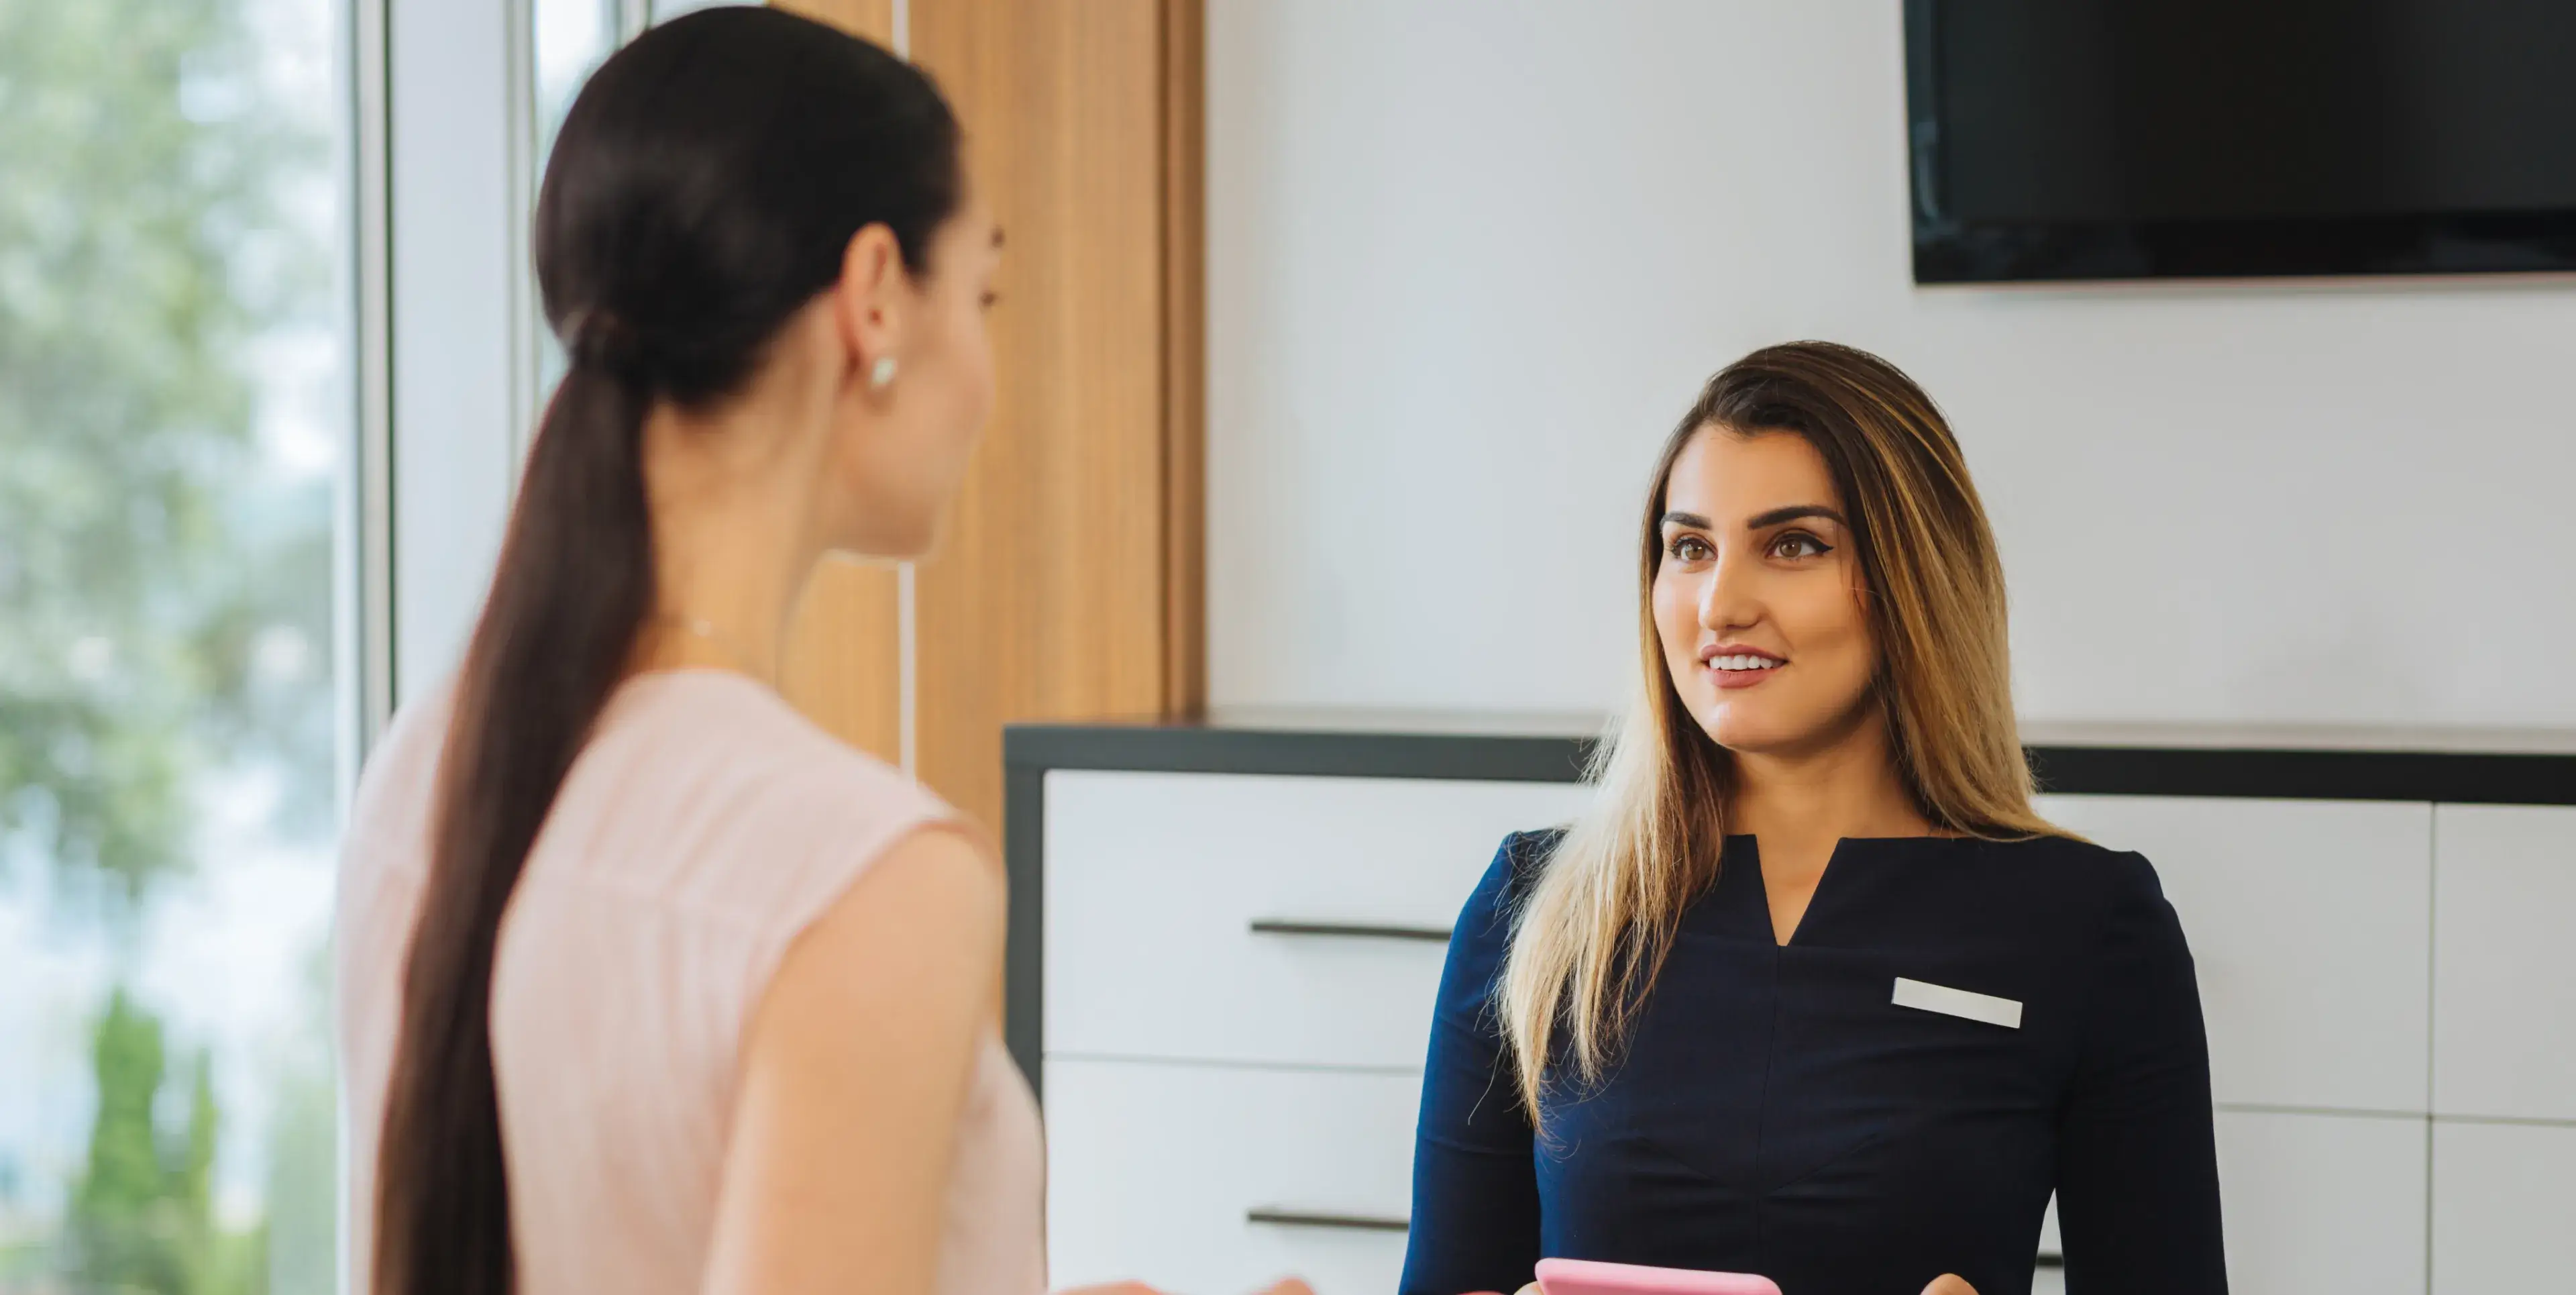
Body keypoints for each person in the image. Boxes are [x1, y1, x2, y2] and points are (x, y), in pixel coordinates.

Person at [334, 12, 1305, 1295]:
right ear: (874, 297)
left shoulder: (428, 764)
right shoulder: (864, 871)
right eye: (985, 294)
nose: (987, 364)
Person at [1400, 343, 2226, 1295]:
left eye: (1794, 544)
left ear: (1914, 578)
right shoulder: (1535, 909)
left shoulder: (2089, 924)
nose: (1722, 603)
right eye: (1690, 547)